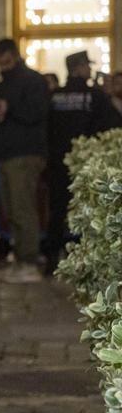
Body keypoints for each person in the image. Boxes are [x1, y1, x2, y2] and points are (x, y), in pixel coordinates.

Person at [44, 51, 120, 269]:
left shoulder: (54, 96)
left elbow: (46, 129)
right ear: (78, 68)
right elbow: (111, 125)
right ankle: (89, 259)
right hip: (87, 163)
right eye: (87, 66)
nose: (90, 70)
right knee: (88, 211)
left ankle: (52, 259)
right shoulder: (94, 96)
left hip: (59, 163)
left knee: (57, 210)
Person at [0, 38, 48, 282]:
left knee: (22, 208)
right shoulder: (0, 86)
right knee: (10, 209)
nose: (2, 60)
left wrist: (10, 107)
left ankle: (30, 261)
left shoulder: (33, 81)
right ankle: (21, 259)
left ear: (14, 54)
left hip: (25, 153)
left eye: (6, 55)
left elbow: (38, 112)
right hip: (6, 154)